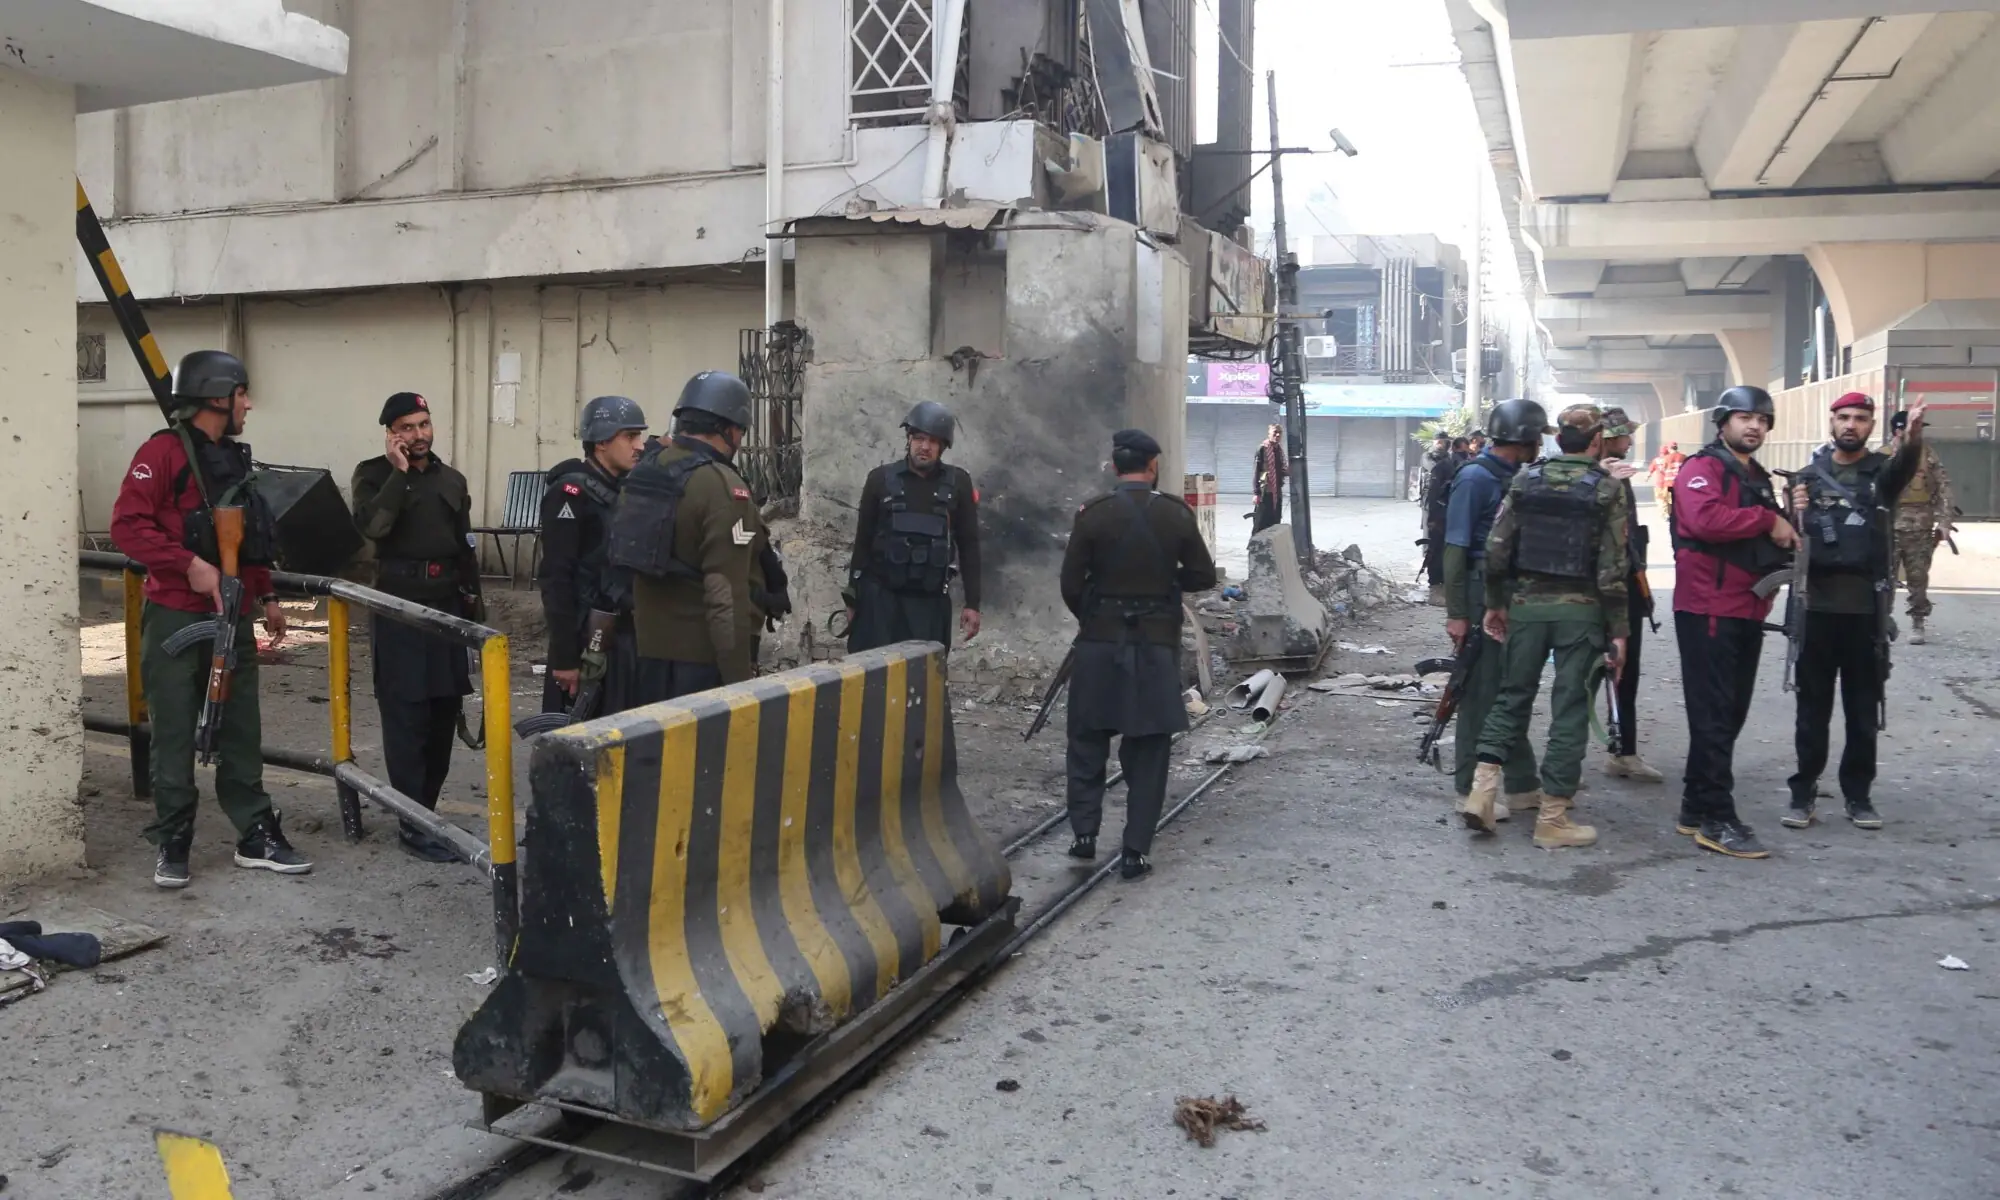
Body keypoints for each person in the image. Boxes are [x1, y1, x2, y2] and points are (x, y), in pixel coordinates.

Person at [111, 350, 311, 887]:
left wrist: (266, 596)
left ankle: (255, 832)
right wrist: (189, 566)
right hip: (177, 616)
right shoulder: (163, 453)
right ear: (218, 397)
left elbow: (249, 538)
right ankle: (173, 838)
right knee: (175, 730)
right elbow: (126, 526)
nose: (249, 403)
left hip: (235, 613)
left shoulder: (234, 460)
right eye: (242, 393)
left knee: (241, 728)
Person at [1463, 405, 1629, 848]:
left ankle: (1482, 792)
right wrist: (1619, 631)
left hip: (1526, 610)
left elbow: (1497, 550)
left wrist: (1496, 603)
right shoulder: (1607, 488)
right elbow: (1614, 569)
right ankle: (1553, 819)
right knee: (1570, 710)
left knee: (1511, 698)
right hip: (1581, 613)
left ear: (1558, 439)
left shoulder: (1524, 480)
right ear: (1596, 440)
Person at [1060, 429, 1219, 880]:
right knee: (1148, 750)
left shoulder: (1093, 515)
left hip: (1098, 645)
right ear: (1152, 467)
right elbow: (1204, 575)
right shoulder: (1175, 515)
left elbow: (1071, 583)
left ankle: (1084, 835)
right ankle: (1135, 851)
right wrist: (1167, 585)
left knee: (1087, 741)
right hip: (1154, 646)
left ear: (1115, 467)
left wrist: (1094, 615)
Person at [1782, 393, 1928, 831]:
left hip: (1865, 611)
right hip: (1815, 608)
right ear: (1832, 420)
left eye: (1861, 419)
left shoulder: (1881, 474)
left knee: (1863, 710)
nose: (1851, 425)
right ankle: (1803, 789)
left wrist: (1914, 435)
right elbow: (1786, 536)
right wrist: (1794, 512)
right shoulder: (1806, 476)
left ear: (1871, 424)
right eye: (1844, 417)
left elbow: (1904, 466)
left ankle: (1858, 795)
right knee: (1812, 710)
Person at [1668, 386, 1800, 860]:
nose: (1754, 427)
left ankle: (1694, 804)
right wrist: (1767, 519)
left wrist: (1790, 516)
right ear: (1722, 422)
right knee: (1715, 715)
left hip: (1746, 608)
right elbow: (1705, 521)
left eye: (1762, 420)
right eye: (1744, 418)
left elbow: (1779, 532)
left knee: (1729, 714)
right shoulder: (1701, 469)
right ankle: (1717, 818)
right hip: (1707, 607)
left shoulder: (1756, 475)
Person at [351, 392, 482, 863]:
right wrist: (399, 474)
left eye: (424, 424)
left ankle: (427, 812)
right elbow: (375, 530)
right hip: (399, 608)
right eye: (406, 427)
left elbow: (466, 551)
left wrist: (474, 618)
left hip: (445, 608)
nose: (418, 435)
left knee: (444, 712)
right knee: (407, 717)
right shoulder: (372, 475)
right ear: (390, 433)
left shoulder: (452, 479)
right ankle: (412, 821)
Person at [612, 371, 766, 701]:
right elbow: (726, 595)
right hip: (702, 661)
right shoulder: (723, 486)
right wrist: (740, 681)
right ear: (730, 428)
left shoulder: (645, 472)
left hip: (647, 654)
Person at [1442, 400, 1550, 826]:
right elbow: (1454, 549)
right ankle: (1469, 788)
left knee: (1513, 687)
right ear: (1524, 438)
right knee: (1481, 692)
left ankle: (1523, 784)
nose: (1541, 443)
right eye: (1537, 436)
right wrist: (1456, 612)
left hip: (1510, 592)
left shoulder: (1516, 477)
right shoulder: (1475, 478)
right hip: (1477, 591)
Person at [537, 395, 647, 717]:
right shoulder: (571, 494)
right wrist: (565, 659)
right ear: (601, 442)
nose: (639, 445)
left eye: (639, 435)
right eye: (630, 436)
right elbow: (556, 578)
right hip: (584, 643)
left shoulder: (623, 490)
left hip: (621, 639)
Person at [845, 401, 982, 652]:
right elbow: (863, 541)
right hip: (881, 602)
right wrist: (852, 598)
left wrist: (973, 603)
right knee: (874, 680)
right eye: (919, 438)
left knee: (924, 682)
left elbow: (969, 545)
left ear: (942, 446)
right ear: (909, 439)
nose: (925, 447)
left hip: (929, 606)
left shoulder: (958, 483)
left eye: (933, 441)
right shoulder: (880, 480)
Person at [1596, 408, 1665, 782]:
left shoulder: (1615, 474)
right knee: (1595, 672)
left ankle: (1623, 750)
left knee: (1626, 671)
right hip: (1604, 589)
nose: (1630, 441)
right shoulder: (1597, 476)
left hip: (1627, 583)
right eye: (1624, 436)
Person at [1887, 409, 1954, 645]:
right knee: (1883, 578)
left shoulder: (1927, 455)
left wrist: (1945, 521)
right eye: (1914, 428)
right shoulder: (1881, 456)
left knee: (1918, 578)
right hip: (1887, 529)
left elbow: (1943, 486)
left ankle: (1918, 621)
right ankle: (1880, 622)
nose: (1920, 432)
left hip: (1920, 528)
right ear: (1898, 430)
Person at [1251, 423, 1288, 533]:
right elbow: (1256, 471)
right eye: (1274, 432)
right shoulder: (1263, 449)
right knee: (1261, 522)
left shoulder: (1279, 450)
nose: (1277, 435)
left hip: (1276, 492)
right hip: (1265, 492)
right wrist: (1256, 493)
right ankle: (1255, 547)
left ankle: (1271, 548)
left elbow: (1280, 470)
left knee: (1275, 522)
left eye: (1279, 433)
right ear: (1269, 434)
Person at [1649, 441, 1684, 524]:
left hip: (1665, 483)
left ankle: (1667, 515)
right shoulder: (1682, 457)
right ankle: (1675, 514)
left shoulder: (1663, 459)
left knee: (1665, 500)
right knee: (1674, 500)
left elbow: (1659, 469)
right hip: (1676, 482)